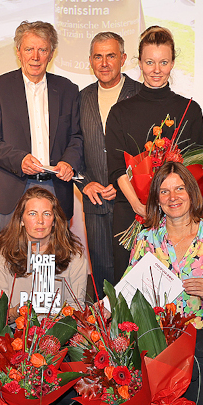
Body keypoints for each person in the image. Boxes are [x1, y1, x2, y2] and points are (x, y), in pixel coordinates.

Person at [127, 162, 203, 405]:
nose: (173, 197)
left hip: (200, 333)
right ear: (157, 200)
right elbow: (128, 295)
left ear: (192, 193)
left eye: (179, 188)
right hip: (156, 335)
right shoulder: (146, 240)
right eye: (164, 191)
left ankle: (200, 393)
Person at [106, 26, 203, 279]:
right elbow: (118, 168)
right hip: (132, 213)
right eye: (150, 62)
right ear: (139, 63)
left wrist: (171, 206)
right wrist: (139, 206)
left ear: (173, 63)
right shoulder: (120, 112)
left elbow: (193, 170)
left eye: (163, 62)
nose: (156, 70)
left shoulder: (190, 110)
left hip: (177, 217)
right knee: (130, 292)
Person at [0, 186, 90, 405]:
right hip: (19, 330)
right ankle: (25, 390)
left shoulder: (74, 256)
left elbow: (77, 309)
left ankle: (61, 398)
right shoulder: (4, 256)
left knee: (83, 340)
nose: (40, 221)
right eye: (32, 214)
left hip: (59, 332)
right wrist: (21, 312)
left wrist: (56, 323)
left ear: (55, 220)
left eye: (47, 214)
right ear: (21, 220)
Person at [0, 21, 84, 229]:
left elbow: (77, 137)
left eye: (42, 50)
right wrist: (19, 159)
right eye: (29, 49)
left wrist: (68, 162)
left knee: (55, 258)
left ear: (52, 53)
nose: (35, 57)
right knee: (14, 258)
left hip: (57, 188)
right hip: (14, 188)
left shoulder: (68, 89)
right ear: (18, 52)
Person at [77, 31, 141, 297]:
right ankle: (106, 336)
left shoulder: (140, 95)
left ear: (123, 58)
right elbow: (72, 146)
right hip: (95, 203)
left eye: (111, 56)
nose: (104, 63)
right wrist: (83, 182)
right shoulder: (81, 99)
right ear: (90, 61)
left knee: (135, 275)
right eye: (98, 56)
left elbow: (149, 151)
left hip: (135, 205)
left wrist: (126, 183)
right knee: (103, 277)